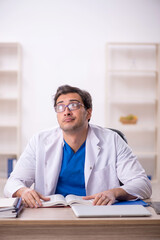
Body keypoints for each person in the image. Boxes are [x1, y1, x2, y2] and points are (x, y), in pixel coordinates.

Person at [4, 85, 152, 208]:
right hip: (50, 214)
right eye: (60, 107)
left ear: (88, 112)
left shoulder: (112, 140)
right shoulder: (39, 141)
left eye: (73, 105)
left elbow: (142, 184)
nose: (66, 111)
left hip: (97, 214)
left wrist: (114, 192)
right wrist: (23, 191)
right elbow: (13, 182)